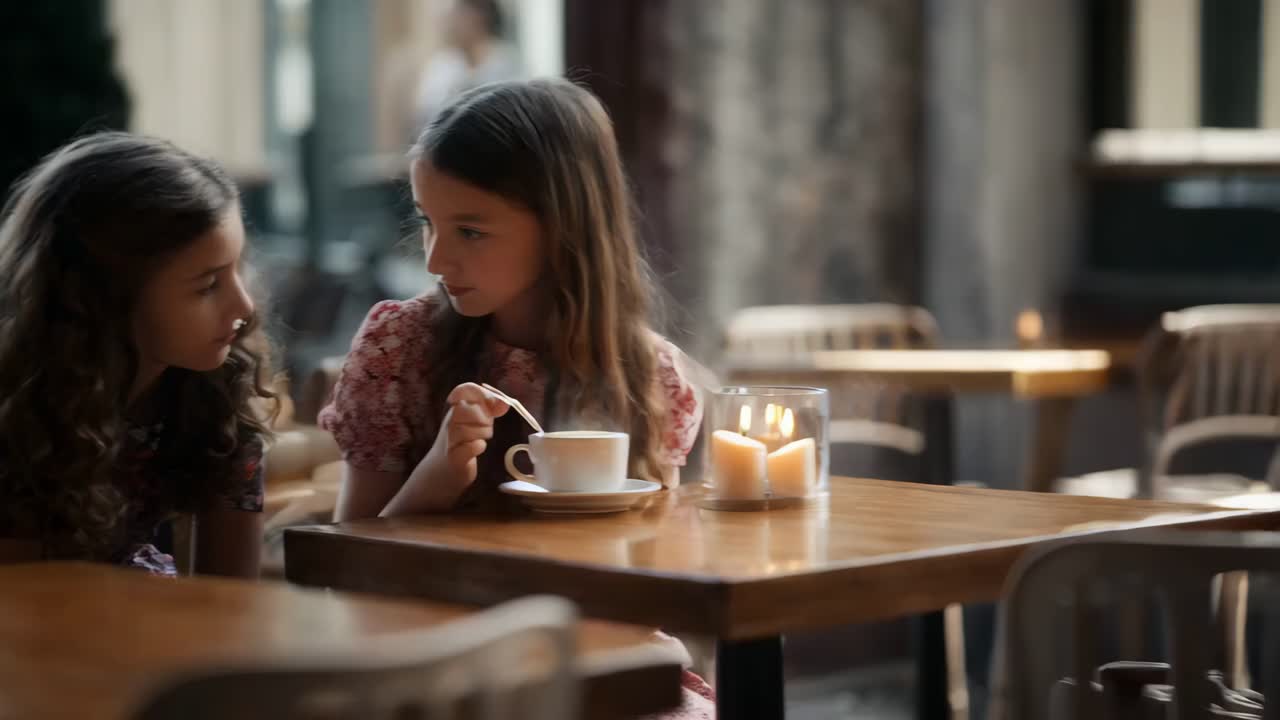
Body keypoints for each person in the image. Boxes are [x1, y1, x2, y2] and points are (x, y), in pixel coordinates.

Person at [320, 79, 712, 715]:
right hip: (433, 668)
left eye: (470, 230)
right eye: (428, 222)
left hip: (597, 663)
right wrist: (438, 474)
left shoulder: (650, 375)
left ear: (563, 227)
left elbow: (652, 587)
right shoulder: (400, 346)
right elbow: (350, 574)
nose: (435, 259)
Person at [0, 132, 276, 578]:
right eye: (208, 285)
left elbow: (232, 597)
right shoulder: (19, 421)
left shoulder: (217, 393)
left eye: (237, 270)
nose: (244, 306)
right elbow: (26, 610)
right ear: (100, 300)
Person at [413, 0, 523, 133]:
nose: (452, 23)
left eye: (459, 14)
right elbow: (425, 116)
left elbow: (517, 112)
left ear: (480, 16)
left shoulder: (508, 63)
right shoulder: (442, 65)